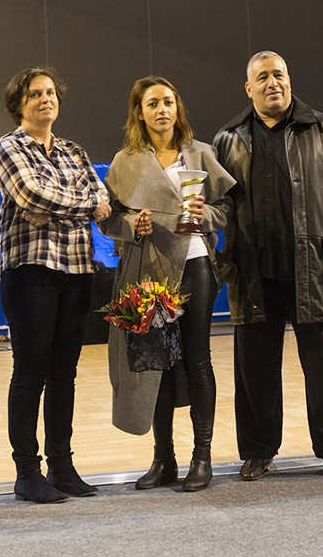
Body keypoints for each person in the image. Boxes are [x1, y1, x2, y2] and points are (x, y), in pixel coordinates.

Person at [213, 51, 323, 481]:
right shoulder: (228, 138)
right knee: (254, 373)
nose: (272, 83)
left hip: (316, 270)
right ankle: (259, 450)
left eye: (278, 75)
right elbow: (213, 210)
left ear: (289, 79)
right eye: (261, 77)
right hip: (253, 275)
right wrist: (221, 264)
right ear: (249, 89)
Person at [99, 75, 235, 492]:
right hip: (147, 271)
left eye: (169, 102)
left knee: (196, 359)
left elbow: (227, 207)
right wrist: (131, 224)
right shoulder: (126, 161)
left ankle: (203, 456)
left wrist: (205, 214)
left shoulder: (202, 154)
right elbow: (107, 219)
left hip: (194, 264)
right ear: (139, 112)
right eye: (153, 103)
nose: (162, 110)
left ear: (178, 109)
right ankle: (164, 459)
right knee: (155, 363)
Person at [0, 66, 111, 504]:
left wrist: (63, 206)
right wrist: (79, 205)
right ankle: (27, 472)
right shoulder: (9, 146)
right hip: (30, 273)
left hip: (77, 273)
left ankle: (62, 466)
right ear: (19, 104)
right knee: (30, 372)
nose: (45, 99)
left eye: (50, 93)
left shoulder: (74, 151)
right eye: (35, 94)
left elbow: (103, 201)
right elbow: (32, 196)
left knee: (65, 374)